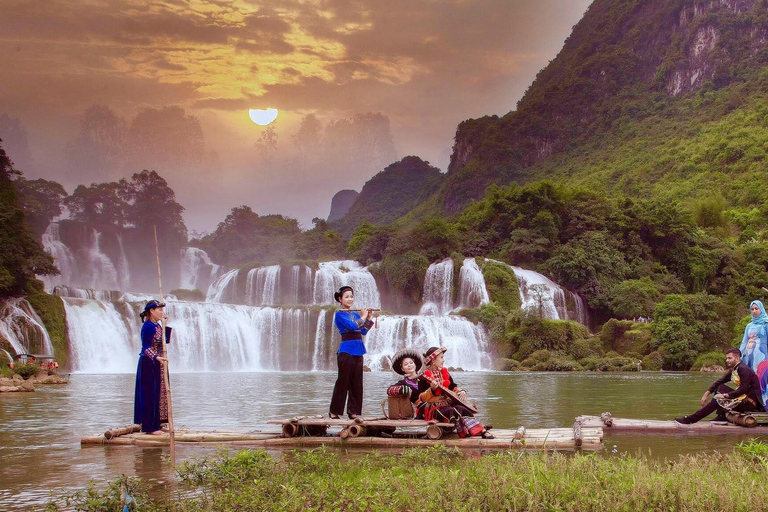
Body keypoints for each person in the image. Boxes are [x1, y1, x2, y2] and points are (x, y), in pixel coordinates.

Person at [416, 346, 493, 438]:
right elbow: (421, 397)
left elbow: (453, 386)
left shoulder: (444, 373)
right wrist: (431, 389)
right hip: (433, 409)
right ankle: (472, 430)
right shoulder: (424, 377)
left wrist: (461, 391)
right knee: (452, 410)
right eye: (441, 357)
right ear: (433, 360)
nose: (443, 360)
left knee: (462, 408)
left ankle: (482, 431)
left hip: (447, 404)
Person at [675, 348, 764, 425]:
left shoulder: (744, 370)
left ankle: (691, 419)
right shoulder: (735, 369)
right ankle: (721, 416)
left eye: (730, 358)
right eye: (726, 358)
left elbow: (743, 389)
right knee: (719, 387)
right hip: (742, 399)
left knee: (718, 400)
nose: (727, 360)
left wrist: (725, 396)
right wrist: (707, 393)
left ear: (737, 358)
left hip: (749, 403)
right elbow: (719, 381)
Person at [329, 286, 377, 420]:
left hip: (358, 350)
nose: (350, 299)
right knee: (343, 382)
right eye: (347, 297)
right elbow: (353, 326)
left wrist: (368, 318)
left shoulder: (355, 315)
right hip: (346, 351)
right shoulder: (339, 314)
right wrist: (363, 316)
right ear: (340, 299)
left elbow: (363, 331)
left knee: (357, 383)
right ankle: (334, 411)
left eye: (351, 296)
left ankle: (353, 411)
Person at [133, 300, 171, 434]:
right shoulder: (148, 326)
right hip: (149, 363)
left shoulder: (157, 326)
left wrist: (164, 325)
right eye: (159, 310)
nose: (162, 312)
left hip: (158, 363)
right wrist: (156, 357)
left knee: (159, 394)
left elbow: (164, 342)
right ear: (151, 311)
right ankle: (149, 427)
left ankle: (158, 423)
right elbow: (146, 347)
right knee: (149, 394)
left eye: (162, 310)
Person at [739, 300, 768, 405]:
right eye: (752, 309)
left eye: (756, 309)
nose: (754, 311)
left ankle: (764, 403)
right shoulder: (749, 325)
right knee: (749, 377)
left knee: (761, 377)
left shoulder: (766, 324)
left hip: (762, 354)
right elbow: (744, 342)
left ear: (761, 309)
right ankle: (751, 401)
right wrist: (740, 355)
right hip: (749, 355)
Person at [386, 348, 424, 418]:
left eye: (411, 363)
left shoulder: (425, 377)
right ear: (402, 369)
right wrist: (405, 389)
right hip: (422, 408)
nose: (409, 365)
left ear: (415, 364)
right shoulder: (404, 383)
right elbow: (389, 390)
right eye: (406, 364)